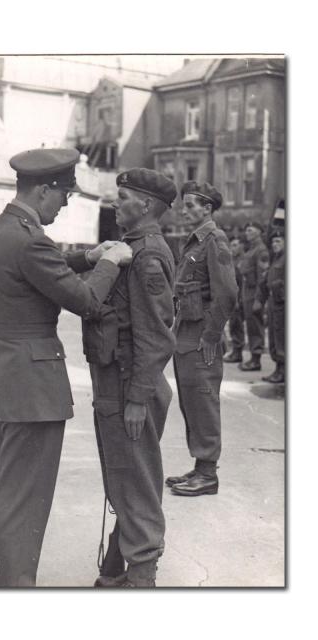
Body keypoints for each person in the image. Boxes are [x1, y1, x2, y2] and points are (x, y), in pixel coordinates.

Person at [0, 148, 132, 588]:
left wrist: (86, 259)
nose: (65, 204)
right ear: (43, 191)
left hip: (5, 376)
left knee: (1, 493)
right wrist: (111, 262)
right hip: (33, 386)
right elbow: (87, 302)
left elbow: (40, 270)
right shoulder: (31, 239)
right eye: (64, 197)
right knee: (26, 501)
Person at [84, 168, 177, 588]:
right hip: (117, 382)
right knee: (126, 476)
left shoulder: (147, 255)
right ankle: (119, 565)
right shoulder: (129, 248)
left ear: (147, 205)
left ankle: (142, 577)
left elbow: (157, 334)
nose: (115, 203)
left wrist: (138, 397)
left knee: (134, 480)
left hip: (129, 385)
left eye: (123, 197)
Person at [165, 181, 237, 497]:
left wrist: (211, 335)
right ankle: (200, 467)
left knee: (203, 401)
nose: (185, 209)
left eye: (192, 205)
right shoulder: (195, 242)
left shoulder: (214, 240)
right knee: (192, 401)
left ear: (207, 208)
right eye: (185, 204)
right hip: (186, 333)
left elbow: (227, 293)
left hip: (201, 337)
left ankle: (208, 473)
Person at [238, 222, 270, 371]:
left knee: (255, 326)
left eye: (250, 230)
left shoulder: (261, 251)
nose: (247, 233)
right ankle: (253, 357)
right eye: (246, 230)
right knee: (250, 326)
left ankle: (256, 359)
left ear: (259, 231)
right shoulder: (251, 249)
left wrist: (259, 299)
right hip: (247, 293)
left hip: (254, 294)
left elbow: (262, 278)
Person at [256, 229, 285, 383]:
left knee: (281, 337)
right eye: (273, 241)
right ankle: (278, 368)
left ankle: (283, 370)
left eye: (278, 241)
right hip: (274, 303)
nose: (275, 244)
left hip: (283, 303)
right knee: (274, 335)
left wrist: (277, 286)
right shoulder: (276, 259)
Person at [223, 237, 245, 363]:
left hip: (240, 297)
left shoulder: (243, 260)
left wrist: (238, 299)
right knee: (233, 324)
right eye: (231, 245)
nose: (233, 248)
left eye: (236, 245)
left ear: (241, 246)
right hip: (233, 297)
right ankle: (236, 351)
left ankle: (238, 351)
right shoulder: (233, 260)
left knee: (237, 324)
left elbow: (241, 282)